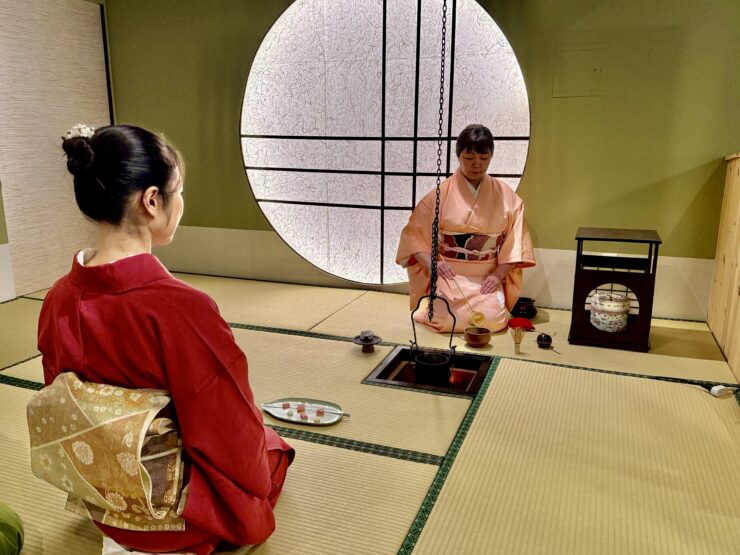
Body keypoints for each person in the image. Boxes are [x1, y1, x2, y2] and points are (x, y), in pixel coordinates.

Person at [37, 124, 294, 554]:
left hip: (101, 498)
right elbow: (227, 429)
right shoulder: (182, 308)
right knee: (271, 449)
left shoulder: (57, 298)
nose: (181, 202)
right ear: (152, 200)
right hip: (173, 513)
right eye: (179, 190)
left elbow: (64, 406)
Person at [396, 124, 535, 333]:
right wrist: (433, 265)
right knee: (445, 319)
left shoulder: (506, 196)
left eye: (483, 158)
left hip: (486, 275)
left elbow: (516, 243)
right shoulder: (441, 193)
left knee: (493, 321)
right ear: (458, 155)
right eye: (469, 158)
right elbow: (412, 235)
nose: (476, 165)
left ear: (491, 156)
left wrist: (498, 275)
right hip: (450, 274)